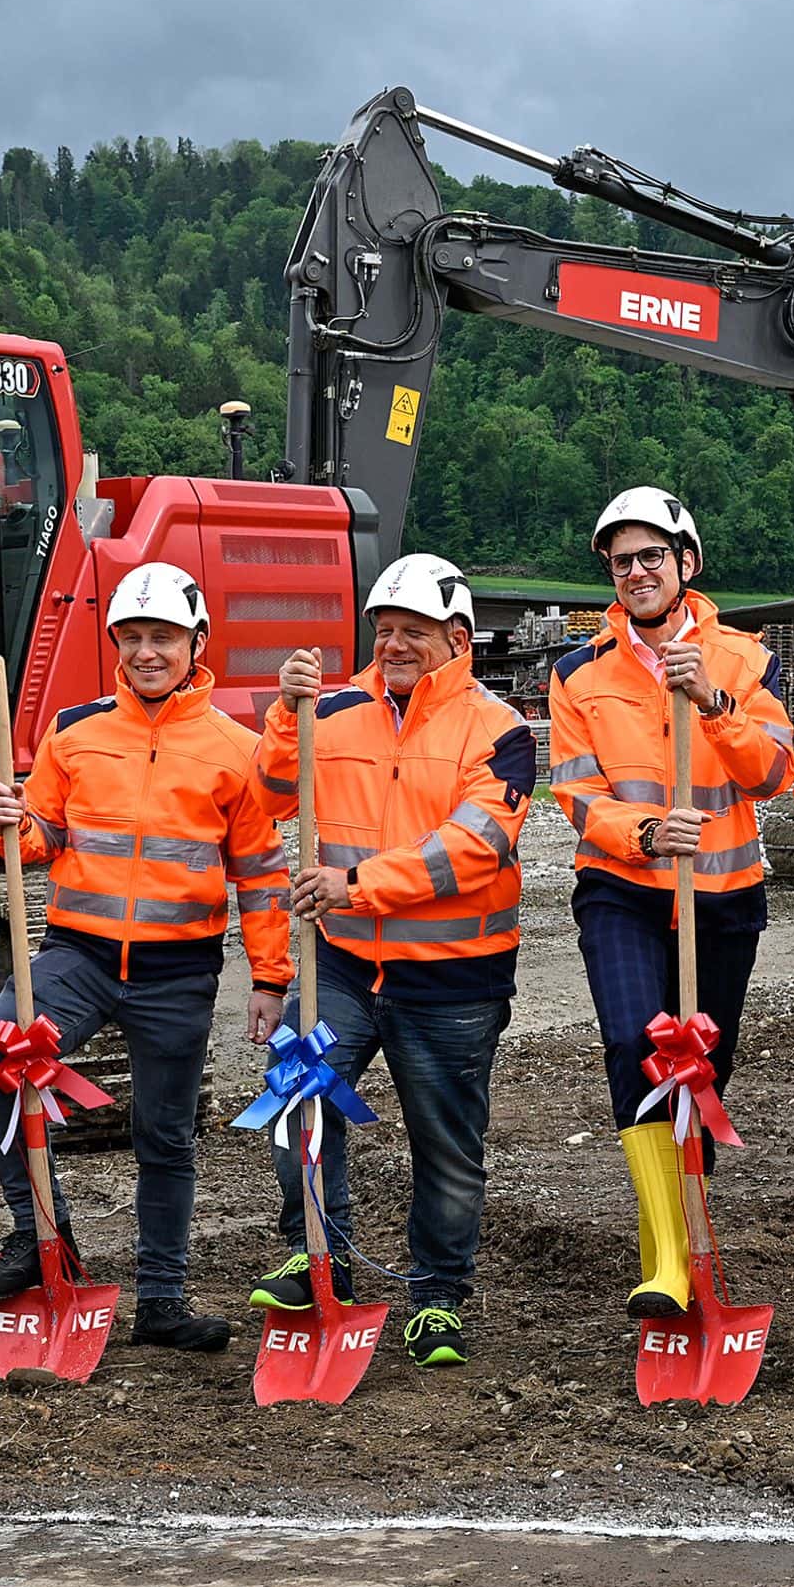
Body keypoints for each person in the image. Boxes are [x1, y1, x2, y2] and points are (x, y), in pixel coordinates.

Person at [0, 561, 288, 1354]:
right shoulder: (76, 732)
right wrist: (10, 821)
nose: (146, 652)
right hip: (79, 955)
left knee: (165, 1138)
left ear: (196, 642)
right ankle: (42, 1242)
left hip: (179, 971)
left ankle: (162, 1302)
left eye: (163, 637)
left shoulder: (235, 749)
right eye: (132, 637)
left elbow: (262, 875)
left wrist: (271, 977)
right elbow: (42, 839)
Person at [253, 553, 537, 1366]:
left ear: (457, 636)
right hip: (342, 966)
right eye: (384, 631)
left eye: (413, 632)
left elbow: (473, 850)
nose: (395, 645)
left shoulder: (500, 730)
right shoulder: (335, 706)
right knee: (296, 1098)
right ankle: (318, 1256)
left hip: (450, 980)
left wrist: (356, 884)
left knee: (445, 1144)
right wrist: (285, 711)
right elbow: (271, 790)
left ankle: (438, 1298)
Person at [546, 486, 794, 1319]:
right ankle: (665, 1261)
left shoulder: (747, 660)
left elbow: (772, 775)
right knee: (633, 1041)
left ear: (687, 563)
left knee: (703, 1067)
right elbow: (576, 791)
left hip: (724, 895)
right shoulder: (578, 672)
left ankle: (689, 1232)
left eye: (652, 556)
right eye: (622, 562)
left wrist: (715, 706)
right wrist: (646, 830)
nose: (636, 572)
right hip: (623, 887)